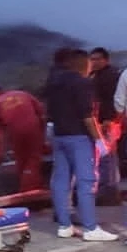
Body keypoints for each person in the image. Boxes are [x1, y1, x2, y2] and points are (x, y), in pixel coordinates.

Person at [46, 49, 116, 240]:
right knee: (86, 181)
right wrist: (99, 140)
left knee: (61, 181)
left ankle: (64, 225)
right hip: (79, 138)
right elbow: (87, 116)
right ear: (82, 64)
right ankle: (90, 229)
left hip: (60, 136)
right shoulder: (82, 83)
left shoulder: (53, 82)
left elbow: (50, 111)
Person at [0, 81, 46, 193]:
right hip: (34, 129)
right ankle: (33, 189)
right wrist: (42, 134)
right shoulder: (22, 94)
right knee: (32, 160)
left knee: (24, 163)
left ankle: (29, 193)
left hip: (16, 135)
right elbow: (41, 112)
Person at [90, 48, 122, 205]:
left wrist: (109, 119)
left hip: (108, 121)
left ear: (106, 60)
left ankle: (109, 191)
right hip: (100, 121)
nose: (94, 62)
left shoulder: (110, 76)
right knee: (105, 156)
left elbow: (113, 99)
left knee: (107, 157)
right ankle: (109, 190)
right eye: (92, 59)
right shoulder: (96, 76)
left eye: (97, 59)